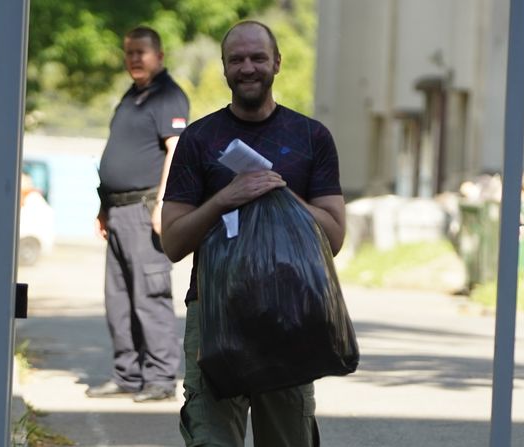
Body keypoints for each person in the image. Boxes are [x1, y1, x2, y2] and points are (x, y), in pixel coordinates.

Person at [161, 20, 346, 446]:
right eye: (237, 59)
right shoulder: (198, 139)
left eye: (258, 58)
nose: (248, 68)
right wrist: (225, 198)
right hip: (214, 313)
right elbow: (172, 243)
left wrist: (279, 191)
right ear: (225, 67)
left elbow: (334, 238)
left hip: (291, 313)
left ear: (277, 63)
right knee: (211, 439)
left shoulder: (311, 137)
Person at [86, 26, 188, 403]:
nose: (134, 58)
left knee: (150, 294)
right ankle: (127, 374)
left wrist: (164, 203)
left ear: (159, 56)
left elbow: (176, 151)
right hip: (117, 211)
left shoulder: (168, 96)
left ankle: (160, 378)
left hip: (146, 211)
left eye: (141, 52)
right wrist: (103, 207)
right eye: (129, 52)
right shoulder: (133, 96)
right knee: (118, 298)